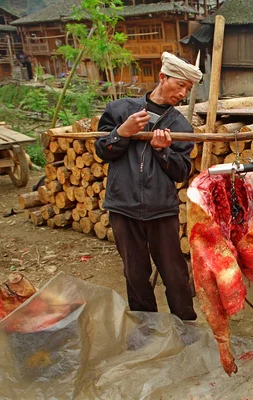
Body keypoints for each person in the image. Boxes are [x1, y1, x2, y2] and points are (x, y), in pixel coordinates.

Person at [95, 52, 201, 321]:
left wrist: (163, 152)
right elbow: (102, 150)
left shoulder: (180, 125)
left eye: (188, 89)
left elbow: (181, 172)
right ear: (162, 77)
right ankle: (146, 329)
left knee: (175, 273)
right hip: (123, 206)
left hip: (161, 208)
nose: (183, 93)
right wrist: (122, 132)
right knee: (135, 273)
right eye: (179, 85)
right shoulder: (119, 110)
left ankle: (186, 326)